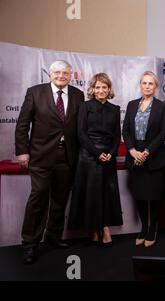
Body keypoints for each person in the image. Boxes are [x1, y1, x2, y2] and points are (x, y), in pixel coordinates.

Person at [15, 60, 84, 264]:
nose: (61, 76)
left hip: (68, 156)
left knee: (60, 199)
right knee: (38, 198)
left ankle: (53, 236)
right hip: (40, 156)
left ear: (71, 75)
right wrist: (22, 152)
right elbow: (22, 124)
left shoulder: (78, 95)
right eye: (58, 73)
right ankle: (30, 243)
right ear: (50, 74)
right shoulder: (35, 92)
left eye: (65, 73)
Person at [68, 73, 122, 246]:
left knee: (106, 194)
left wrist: (111, 153)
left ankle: (104, 228)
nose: (101, 90)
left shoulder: (114, 108)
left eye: (104, 87)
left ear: (109, 89)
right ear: (92, 89)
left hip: (108, 156)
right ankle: (92, 229)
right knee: (91, 194)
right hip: (88, 156)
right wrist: (97, 153)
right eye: (98, 87)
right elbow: (81, 134)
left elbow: (117, 136)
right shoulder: (84, 106)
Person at [122, 71, 165, 247]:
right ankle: (143, 227)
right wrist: (132, 150)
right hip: (135, 157)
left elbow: (164, 132)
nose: (147, 86)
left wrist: (147, 152)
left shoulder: (162, 107)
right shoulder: (132, 105)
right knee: (140, 196)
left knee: (154, 196)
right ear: (140, 85)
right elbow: (125, 130)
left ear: (156, 87)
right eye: (144, 83)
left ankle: (152, 229)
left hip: (154, 158)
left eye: (151, 83)